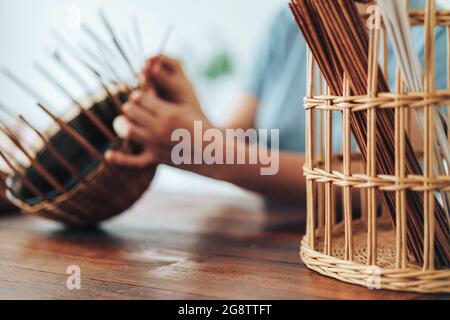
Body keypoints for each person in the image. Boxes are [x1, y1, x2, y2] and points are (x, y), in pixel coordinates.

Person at [105, 0, 447, 205]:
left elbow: (395, 187)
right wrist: (193, 125)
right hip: (268, 250)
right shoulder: (290, 23)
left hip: (367, 267)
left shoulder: (431, 34)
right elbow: (239, 144)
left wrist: (209, 154)